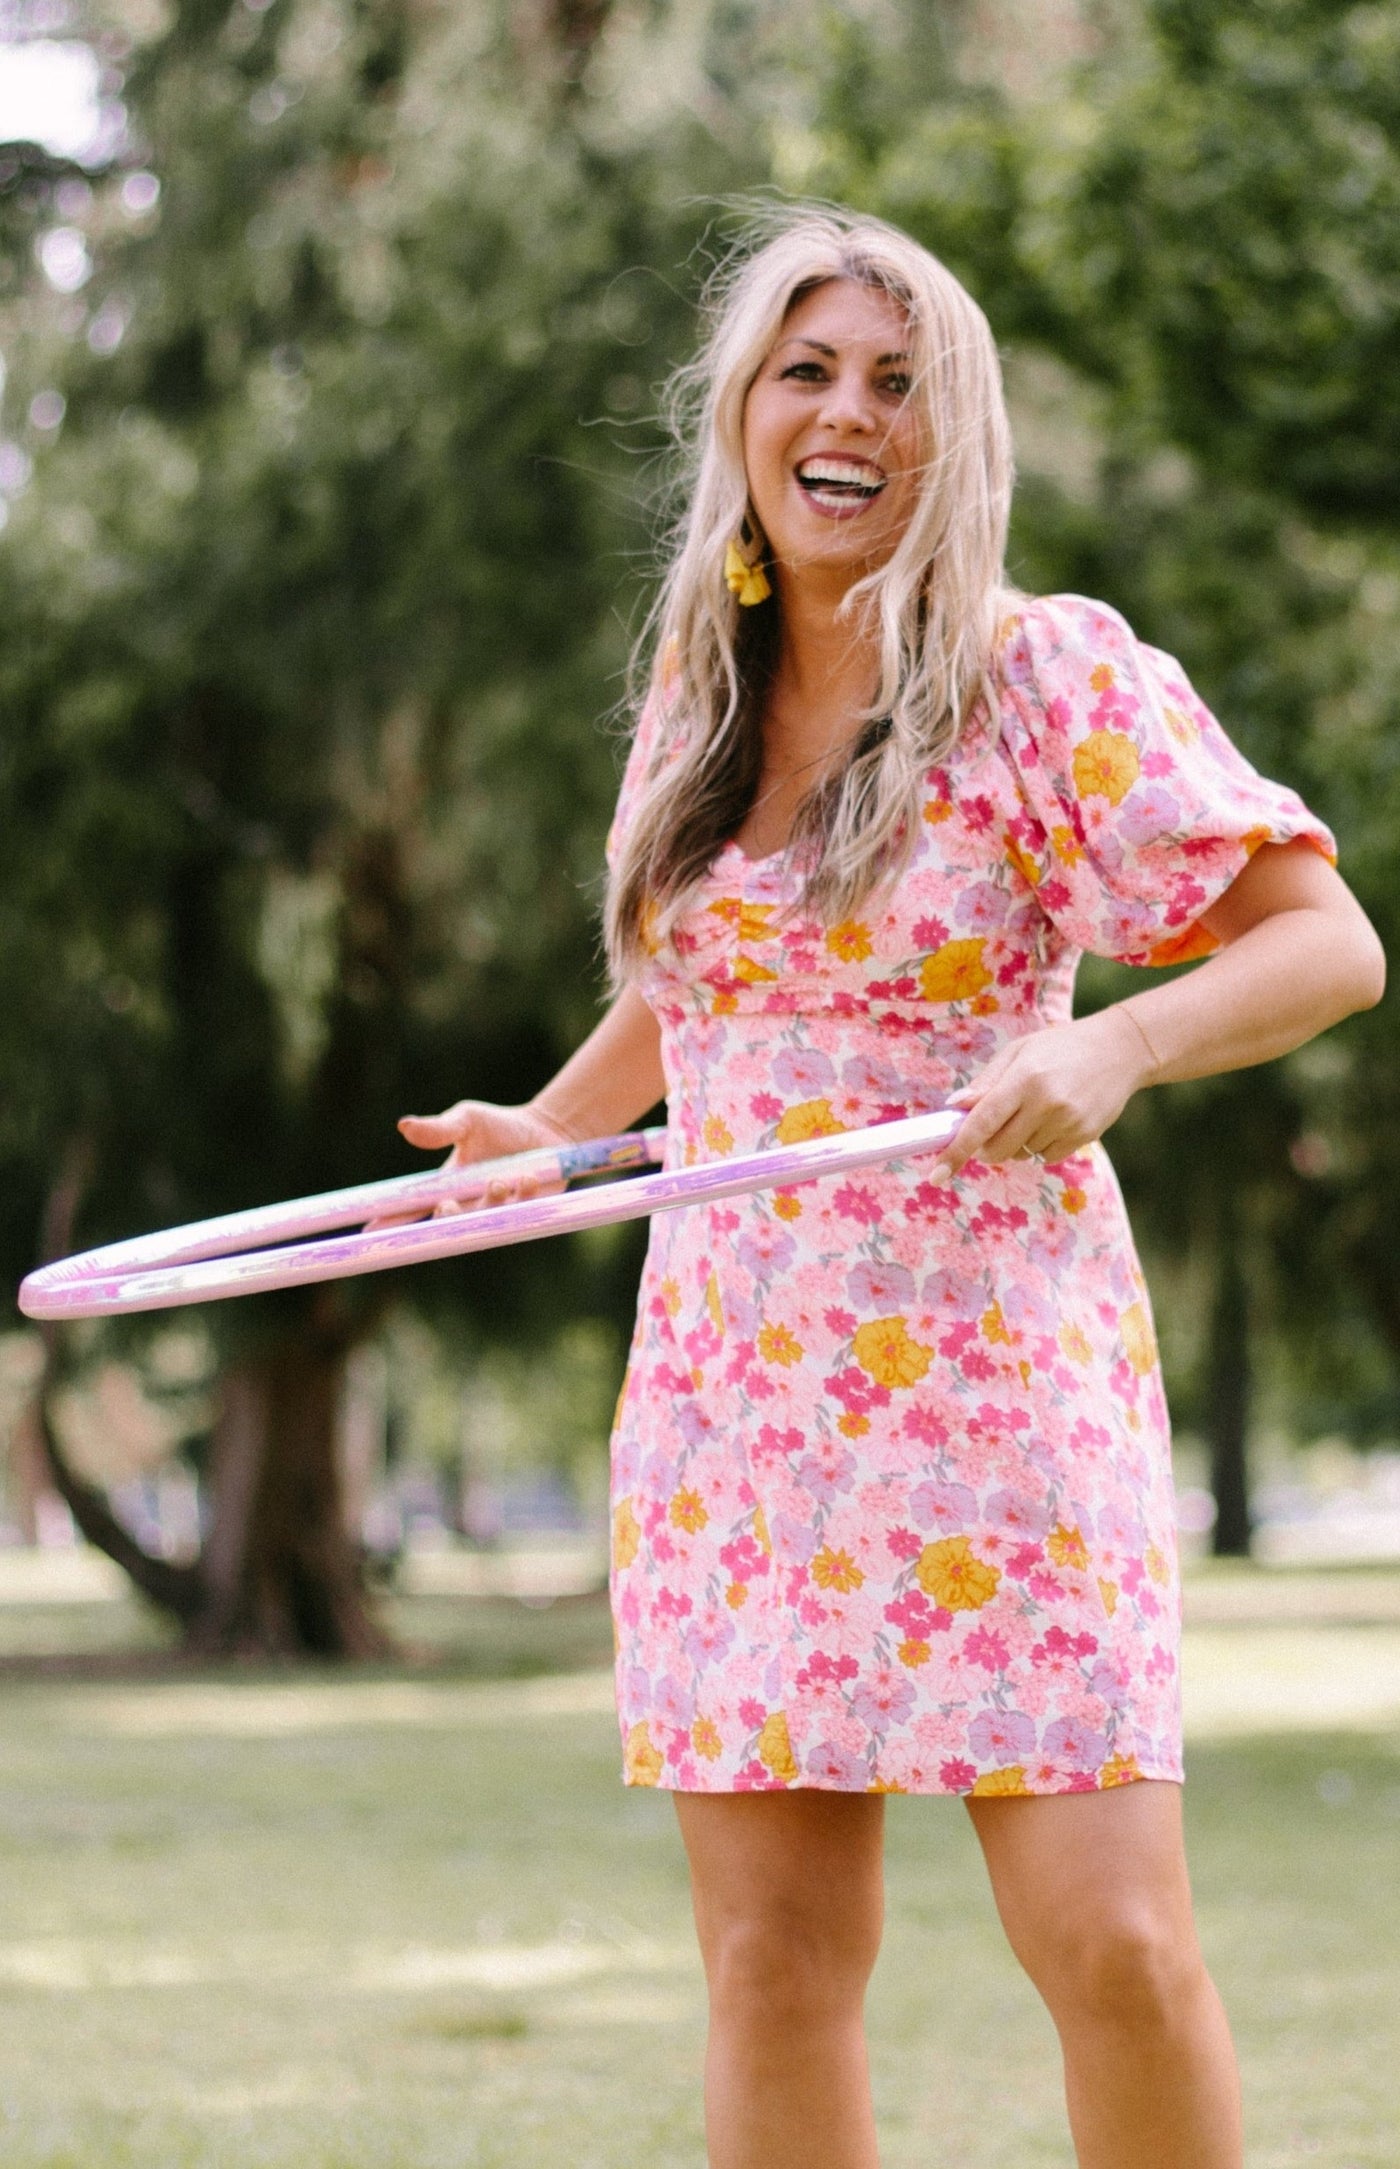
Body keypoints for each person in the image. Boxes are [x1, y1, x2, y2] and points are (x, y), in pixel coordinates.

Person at [397, 209, 1385, 2169]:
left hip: (998, 1382)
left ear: (960, 435)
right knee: (769, 1957)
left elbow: (1322, 942)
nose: (846, 414)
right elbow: (702, 1000)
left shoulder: (1049, 677)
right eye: (805, 369)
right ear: (744, 416)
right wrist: (557, 1127)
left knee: (1110, 1938)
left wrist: (1112, 1045)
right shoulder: (701, 686)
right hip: (734, 1392)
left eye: (896, 379)